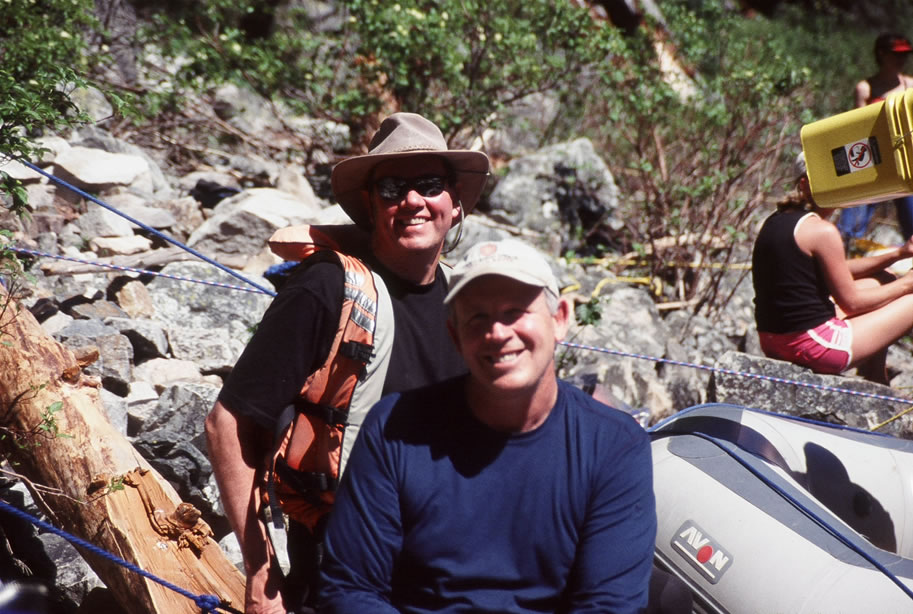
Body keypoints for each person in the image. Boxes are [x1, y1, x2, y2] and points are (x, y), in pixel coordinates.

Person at [204, 112, 490, 614]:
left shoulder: (465, 302)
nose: (413, 201)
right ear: (370, 204)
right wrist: (262, 574)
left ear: (455, 201)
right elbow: (227, 423)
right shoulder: (328, 287)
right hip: (347, 571)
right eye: (392, 188)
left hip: (451, 570)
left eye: (429, 184)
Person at [318, 238, 657, 613]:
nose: (497, 333)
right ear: (455, 336)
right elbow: (351, 589)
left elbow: (608, 605)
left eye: (515, 312)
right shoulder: (394, 429)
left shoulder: (615, 446)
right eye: (477, 318)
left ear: (560, 319)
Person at [752, 152, 913, 384]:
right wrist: (906, 284)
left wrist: (898, 254)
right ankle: (875, 379)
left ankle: (875, 377)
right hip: (812, 345)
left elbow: (839, 269)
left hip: (773, 340)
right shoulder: (822, 232)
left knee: (883, 279)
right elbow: (853, 303)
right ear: (805, 185)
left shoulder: (778, 220)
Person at [836, 32, 913, 248]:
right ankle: (847, 254)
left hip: (905, 161)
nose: (901, 59)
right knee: (852, 225)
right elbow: (857, 128)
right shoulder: (865, 88)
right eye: (895, 54)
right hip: (873, 160)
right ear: (881, 54)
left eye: (905, 54)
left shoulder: (910, 85)